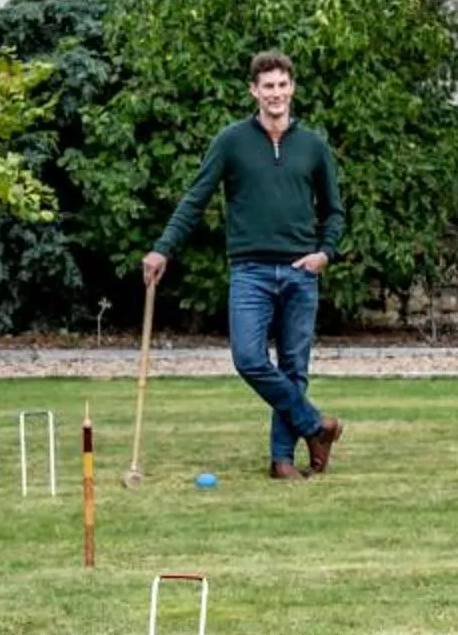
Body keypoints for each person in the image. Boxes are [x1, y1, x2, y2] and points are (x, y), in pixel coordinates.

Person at [142, 51, 348, 481]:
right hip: (250, 271)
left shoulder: (313, 145)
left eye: (282, 85)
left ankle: (282, 460)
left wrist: (324, 252)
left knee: (294, 367)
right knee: (249, 359)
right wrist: (163, 248)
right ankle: (316, 427)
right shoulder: (232, 141)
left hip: (301, 271)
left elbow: (335, 211)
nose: (275, 93)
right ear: (254, 90)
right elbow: (195, 199)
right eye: (267, 86)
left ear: (292, 88)